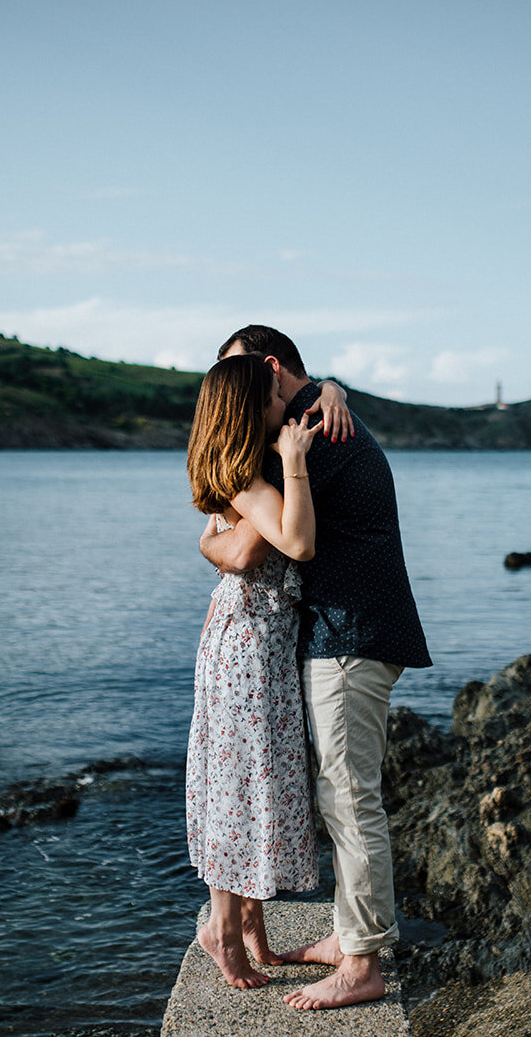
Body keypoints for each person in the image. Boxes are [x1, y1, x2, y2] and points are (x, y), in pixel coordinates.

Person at [201, 325, 431, 1011]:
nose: (235, 399)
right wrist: (333, 386)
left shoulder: (312, 433)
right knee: (339, 794)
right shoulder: (321, 412)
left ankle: (360, 965)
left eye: (242, 382)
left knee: (348, 797)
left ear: (271, 371)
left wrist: (209, 536)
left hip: (349, 637)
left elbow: (247, 546)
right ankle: (347, 935)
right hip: (347, 632)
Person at [184, 353, 325, 989]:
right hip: (246, 644)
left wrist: (333, 394)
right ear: (251, 407)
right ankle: (222, 927)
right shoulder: (250, 478)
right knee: (241, 780)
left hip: (257, 639)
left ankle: (250, 923)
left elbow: (230, 546)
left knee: (256, 774)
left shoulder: (244, 471)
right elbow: (294, 544)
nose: (284, 403)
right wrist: (295, 462)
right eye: (274, 395)